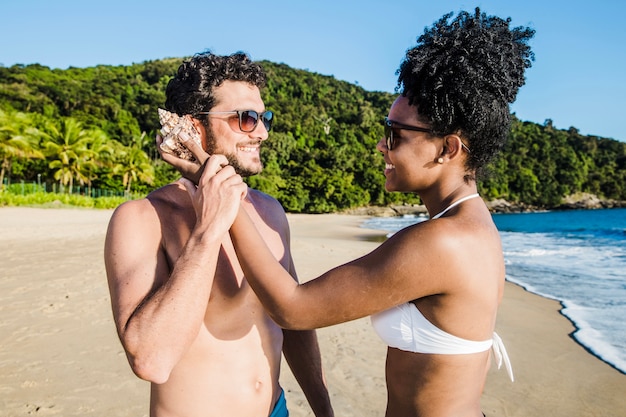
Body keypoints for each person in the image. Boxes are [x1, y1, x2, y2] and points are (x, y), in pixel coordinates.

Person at [166, 9, 534, 416]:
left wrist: (218, 187)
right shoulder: (471, 225)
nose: (381, 145)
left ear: (448, 148)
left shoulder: (442, 242)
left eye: (395, 134)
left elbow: (293, 307)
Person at [104, 51, 334, 417]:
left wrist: (323, 408)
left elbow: (293, 322)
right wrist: (209, 228)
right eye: (246, 119)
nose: (262, 132)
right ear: (194, 127)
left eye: (264, 118)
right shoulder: (143, 218)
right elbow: (150, 360)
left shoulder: (268, 210)